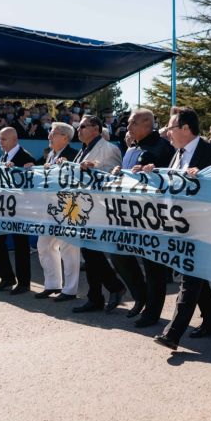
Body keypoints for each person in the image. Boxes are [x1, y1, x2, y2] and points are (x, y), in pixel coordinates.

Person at [154, 107, 211, 351]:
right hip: (179, 223)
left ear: (186, 129)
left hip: (204, 225)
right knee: (195, 275)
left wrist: (203, 178)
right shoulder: (177, 154)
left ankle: (173, 333)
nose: (167, 132)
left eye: (171, 128)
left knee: (189, 275)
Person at [111, 109, 175, 325]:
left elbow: (168, 177)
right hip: (127, 213)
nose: (128, 128)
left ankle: (152, 312)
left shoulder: (163, 147)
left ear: (147, 124)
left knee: (153, 265)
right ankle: (140, 297)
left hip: (152, 216)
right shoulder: (131, 148)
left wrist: (152, 171)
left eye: (132, 123)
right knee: (118, 255)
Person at [67, 115, 127, 314]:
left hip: (99, 208)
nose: (79, 130)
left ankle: (114, 287)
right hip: (82, 207)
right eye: (79, 126)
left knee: (93, 253)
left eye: (83, 126)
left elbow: (114, 177)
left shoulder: (110, 148)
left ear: (96, 128)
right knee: (89, 253)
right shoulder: (82, 150)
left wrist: (95, 168)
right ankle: (95, 297)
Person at [35, 122, 80, 301]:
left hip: (69, 207)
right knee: (44, 245)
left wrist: (68, 166)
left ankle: (70, 290)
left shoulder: (73, 155)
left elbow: (78, 178)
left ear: (65, 137)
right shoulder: (50, 155)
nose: (49, 136)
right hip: (49, 208)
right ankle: (52, 284)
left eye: (53, 134)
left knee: (69, 249)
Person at [0, 127, 35, 295]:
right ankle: (7, 277)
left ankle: (24, 283)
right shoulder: (3, 157)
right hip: (4, 208)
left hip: (21, 209)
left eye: (4, 139)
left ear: (14, 139)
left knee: (21, 244)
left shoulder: (26, 157)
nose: (0, 142)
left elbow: (31, 182)